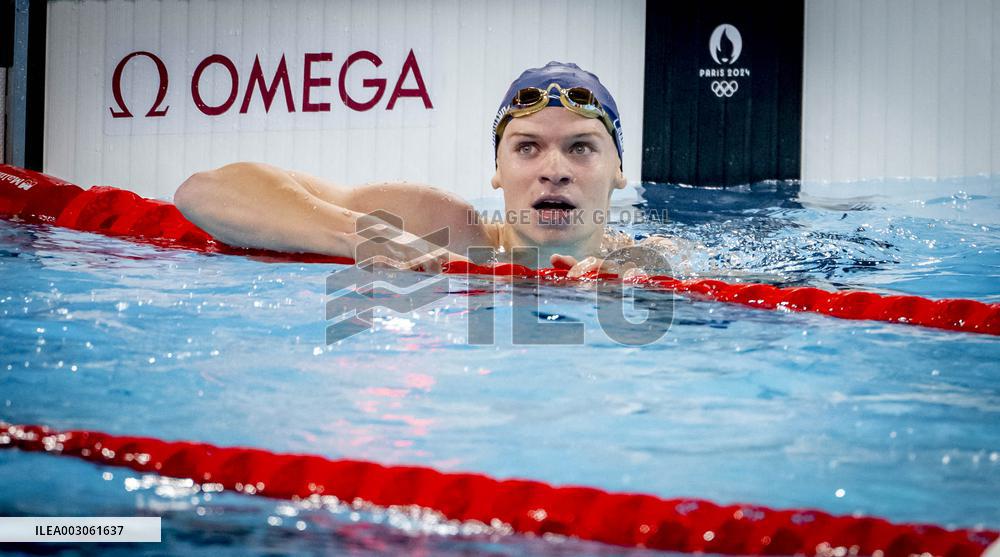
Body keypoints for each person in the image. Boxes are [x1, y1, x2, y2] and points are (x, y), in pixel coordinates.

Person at [175, 61, 667, 277]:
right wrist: (355, 233)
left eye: (581, 148)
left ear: (619, 170)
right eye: (527, 148)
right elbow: (205, 190)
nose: (554, 170)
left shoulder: (654, 265)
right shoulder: (442, 229)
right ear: (496, 170)